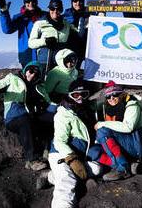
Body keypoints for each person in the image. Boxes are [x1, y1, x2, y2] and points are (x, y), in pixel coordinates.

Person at [0, 61, 50, 171]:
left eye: (36, 73)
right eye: (31, 71)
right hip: (14, 117)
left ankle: (48, 151)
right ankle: (31, 160)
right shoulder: (12, 79)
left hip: (30, 116)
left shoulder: (39, 86)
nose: (32, 75)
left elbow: (49, 100)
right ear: (26, 69)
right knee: (25, 122)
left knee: (51, 118)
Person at [48, 79, 102, 208]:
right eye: (75, 95)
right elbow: (59, 141)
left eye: (83, 94)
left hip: (80, 154)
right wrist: (72, 159)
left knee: (96, 168)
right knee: (67, 181)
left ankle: (52, 176)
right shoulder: (63, 113)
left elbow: (104, 102)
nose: (80, 98)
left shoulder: (87, 108)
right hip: (61, 153)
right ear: (69, 95)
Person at [94, 80, 142, 181]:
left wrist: (103, 123)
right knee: (92, 152)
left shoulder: (132, 105)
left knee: (102, 131)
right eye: (108, 96)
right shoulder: (109, 107)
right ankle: (125, 163)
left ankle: (123, 169)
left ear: (121, 94)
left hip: (138, 142)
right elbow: (96, 105)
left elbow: (128, 127)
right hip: (124, 142)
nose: (111, 98)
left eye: (115, 95)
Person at [28, 0, 76, 73]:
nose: (55, 11)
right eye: (52, 8)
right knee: (44, 83)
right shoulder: (40, 23)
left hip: (61, 62)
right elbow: (31, 43)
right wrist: (45, 41)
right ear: (49, 9)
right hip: (45, 61)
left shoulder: (66, 25)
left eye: (58, 9)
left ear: (61, 10)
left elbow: (78, 32)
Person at [0, 0, 46, 67]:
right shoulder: (20, 18)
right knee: (29, 78)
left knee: (44, 77)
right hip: (26, 56)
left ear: (36, 3)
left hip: (42, 56)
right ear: (24, 3)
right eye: (28, 2)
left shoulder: (44, 16)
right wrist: (4, 12)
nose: (31, 3)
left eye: (33, 1)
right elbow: (7, 29)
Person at [63, 0, 91, 66]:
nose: (78, 3)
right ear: (72, 2)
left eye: (80, 1)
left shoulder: (89, 14)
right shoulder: (66, 15)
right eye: (75, 1)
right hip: (70, 47)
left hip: (85, 48)